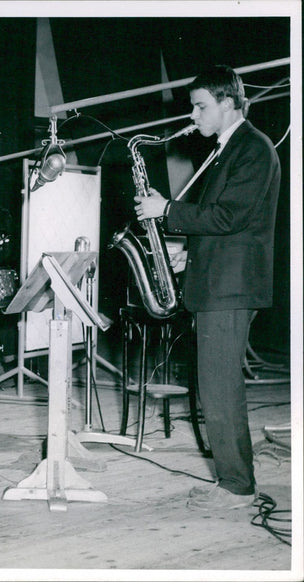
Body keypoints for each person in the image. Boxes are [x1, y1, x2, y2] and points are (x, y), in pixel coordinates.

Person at [134, 65, 281, 511]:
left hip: (229, 288)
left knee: (218, 387)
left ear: (228, 104)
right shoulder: (229, 149)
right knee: (215, 385)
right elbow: (226, 222)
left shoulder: (252, 148)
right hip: (220, 281)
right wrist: (188, 254)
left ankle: (237, 486)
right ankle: (232, 479)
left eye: (201, 106)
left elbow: (229, 216)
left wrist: (167, 210)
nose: (193, 115)